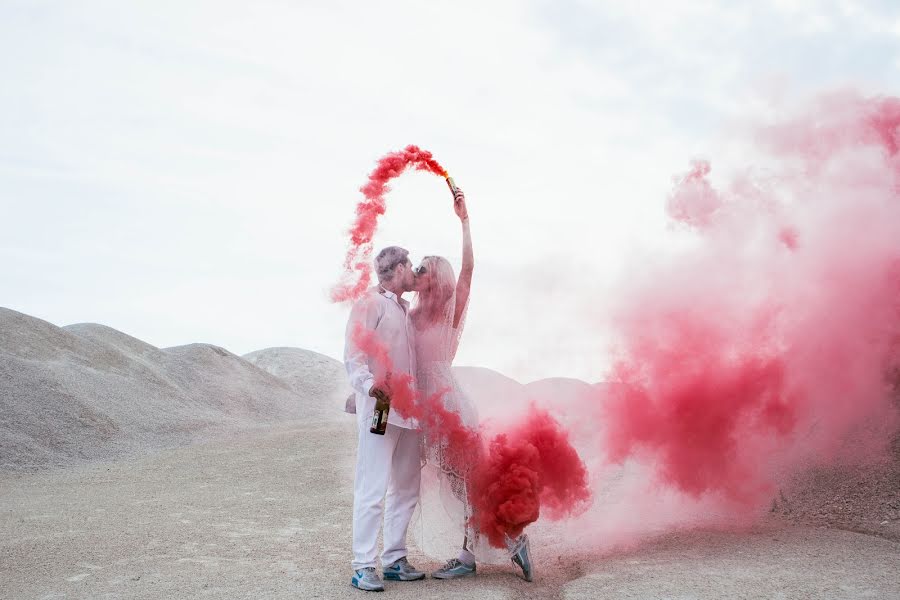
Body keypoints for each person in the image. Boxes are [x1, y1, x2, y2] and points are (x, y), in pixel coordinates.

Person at [410, 187, 533, 582]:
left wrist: (464, 220)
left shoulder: (450, 310)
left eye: (423, 269)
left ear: (437, 277)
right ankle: (489, 547)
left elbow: (468, 272)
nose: (417, 274)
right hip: (429, 408)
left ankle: (496, 545)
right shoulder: (412, 318)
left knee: (467, 482)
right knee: (457, 483)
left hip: (450, 406)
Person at [345, 246, 427, 592]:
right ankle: (363, 564)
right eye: (411, 267)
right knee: (373, 485)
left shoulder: (406, 310)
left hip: (410, 415)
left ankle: (394, 559)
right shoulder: (371, 303)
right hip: (380, 409)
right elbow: (354, 356)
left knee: (407, 486)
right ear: (399, 268)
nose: (415, 274)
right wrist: (370, 389)